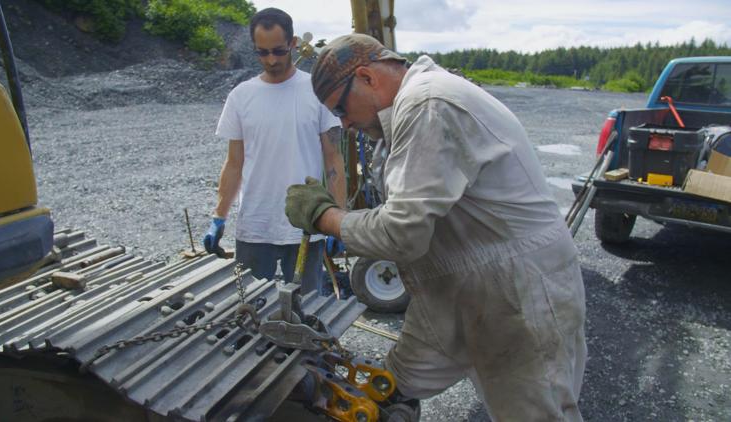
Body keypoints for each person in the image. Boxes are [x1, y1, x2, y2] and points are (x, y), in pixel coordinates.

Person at [285, 34, 587, 421]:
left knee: (533, 414)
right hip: (460, 288)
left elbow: (402, 232)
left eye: (341, 108)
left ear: (367, 77)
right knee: (391, 387)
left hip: (518, 296)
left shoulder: (428, 104)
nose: (344, 124)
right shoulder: (408, 111)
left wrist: (325, 217)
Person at [204, 8, 345, 295]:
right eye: (262, 52)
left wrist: (339, 219)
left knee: (307, 310)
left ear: (293, 43)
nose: (271, 60)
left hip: (307, 222)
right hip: (256, 223)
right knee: (251, 308)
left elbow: (334, 159)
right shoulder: (240, 96)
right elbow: (234, 164)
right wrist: (219, 216)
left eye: (279, 51)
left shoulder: (316, 91)